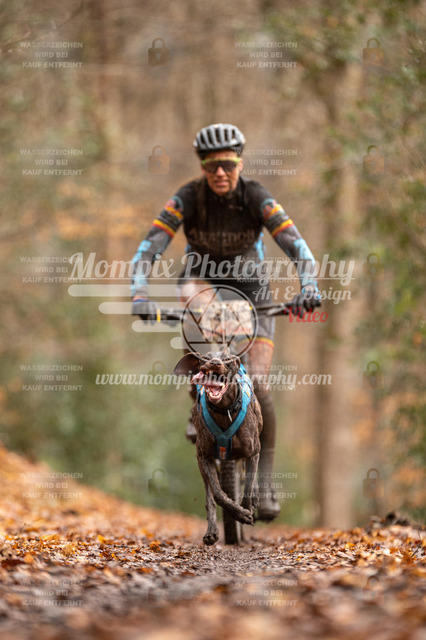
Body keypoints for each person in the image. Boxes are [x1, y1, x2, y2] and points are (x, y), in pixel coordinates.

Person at [131, 123, 321, 521]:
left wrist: (309, 286)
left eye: (228, 165)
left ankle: (264, 483)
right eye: (211, 165)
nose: (220, 172)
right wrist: (139, 293)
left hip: (253, 289)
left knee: (259, 384)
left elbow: (296, 244)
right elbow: (150, 246)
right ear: (202, 166)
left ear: (240, 164)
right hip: (201, 283)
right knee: (192, 301)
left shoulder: (256, 196)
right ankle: (197, 399)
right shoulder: (187, 198)